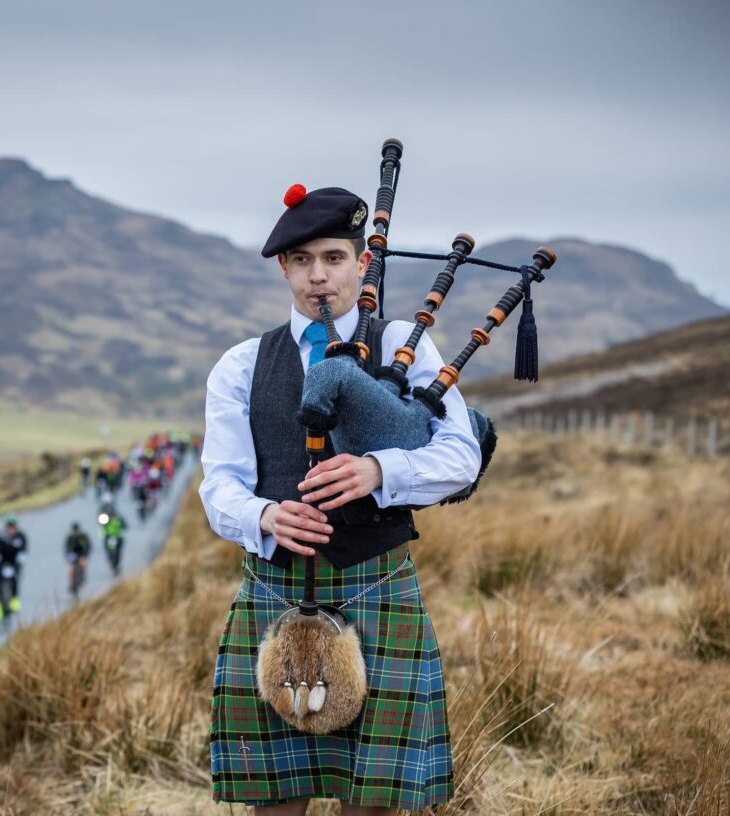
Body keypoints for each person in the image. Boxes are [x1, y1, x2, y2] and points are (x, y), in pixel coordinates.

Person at [200, 185, 480, 814]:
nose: (318, 275)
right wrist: (263, 516)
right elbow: (218, 485)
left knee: (374, 801)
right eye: (301, 260)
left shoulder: (404, 346)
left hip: (378, 587)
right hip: (273, 593)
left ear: (361, 261)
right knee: (273, 802)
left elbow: (461, 457)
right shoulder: (242, 365)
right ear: (284, 268)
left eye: (332, 257)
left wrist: (381, 470)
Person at [0, 516, 27, 622]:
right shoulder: (0, 536)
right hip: (2, 562)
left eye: (13, 526)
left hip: (14, 563)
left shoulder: (20, 537)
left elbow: (23, 551)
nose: (11, 528)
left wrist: (20, 561)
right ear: (6, 526)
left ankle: (15, 600)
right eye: (9, 526)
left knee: (15, 580)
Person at [63, 521, 90, 598]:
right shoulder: (70, 537)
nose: (75, 531)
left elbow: (87, 546)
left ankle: (82, 578)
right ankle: (71, 585)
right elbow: (67, 548)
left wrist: (84, 555)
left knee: (84, 564)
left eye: (76, 529)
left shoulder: (83, 536)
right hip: (73, 556)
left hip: (82, 555)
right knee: (71, 569)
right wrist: (69, 557)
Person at [98, 508, 126, 577]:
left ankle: (116, 566)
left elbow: (125, 526)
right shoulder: (106, 520)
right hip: (108, 537)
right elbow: (101, 523)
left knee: (117, 553)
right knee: (109, 553)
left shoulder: (119, 520)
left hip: (117, 538)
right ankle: (113, 566)